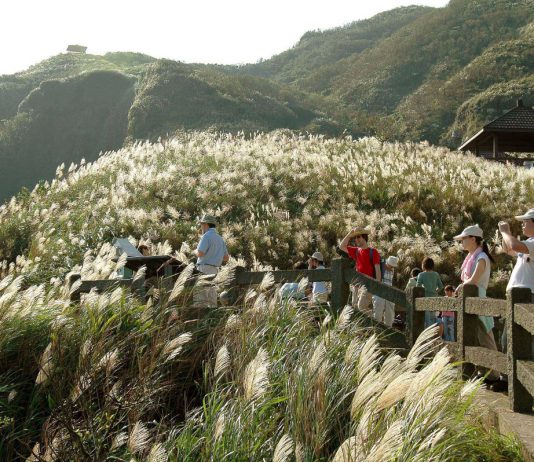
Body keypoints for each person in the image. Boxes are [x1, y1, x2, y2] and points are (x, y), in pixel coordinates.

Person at [454, 224, 500, 383]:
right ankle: (484, 371)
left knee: (485, 336)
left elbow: (473, 281)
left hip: (478, 299)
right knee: (474, 336)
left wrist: (461, 286)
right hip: (470, 299)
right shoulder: (473, 257)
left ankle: (494, 373)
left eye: (463, 239)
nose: (461, 242)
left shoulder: (481, 258)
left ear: (473, 239)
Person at [498, 208, 534, 351]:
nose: (522, 225)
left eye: (525, 221)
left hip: (528, 296)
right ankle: (510, 373)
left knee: (521, 341)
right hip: (519, 297)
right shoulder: (530, 243)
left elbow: (514, 245)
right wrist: (506, 234)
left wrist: (505, 232)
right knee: (509, 340)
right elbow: (508, 249)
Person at [339, 227, 381, 315]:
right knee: (354, 308)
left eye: (358, 237)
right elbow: (341, 246)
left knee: (361, 306)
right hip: (356, 285)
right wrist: (350, 234)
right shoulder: (356, 251)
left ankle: (372, 325)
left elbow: (378, 270)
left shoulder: (373, 252)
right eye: (355, 237)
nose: (356, 239)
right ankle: (363, 327)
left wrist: (377, 285)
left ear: (364, 237)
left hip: (368, 284)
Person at [193, 214, 229, 307]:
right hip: (215, 271)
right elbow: (226, 258)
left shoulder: (206, 236)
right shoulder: (220, 239)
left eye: (202, 224)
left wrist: (195, 251)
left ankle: (201, 320)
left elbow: (200, 253)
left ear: (206, 224)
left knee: (200, 299)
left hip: (203, 269)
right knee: (212, 299)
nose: (201, 227)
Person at [416, 257, 444, 327]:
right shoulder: (436, 274)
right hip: (434, 298)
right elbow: (441, 286)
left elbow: (417, 287)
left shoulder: (421, 275)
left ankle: (428, 335)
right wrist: (435, 291)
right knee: (434, 318)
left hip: (425, 299)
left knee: (427, 320)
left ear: (423, 265)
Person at [373, 256, 398, 327]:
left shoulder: (392, 270)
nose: (392, 268)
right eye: (391, 266)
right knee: (378, 310)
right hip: (379, 290)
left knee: (390, 312)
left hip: (389, 291)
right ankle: (377, 328)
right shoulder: (380, 267)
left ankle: (388, 329)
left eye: (393, 266)